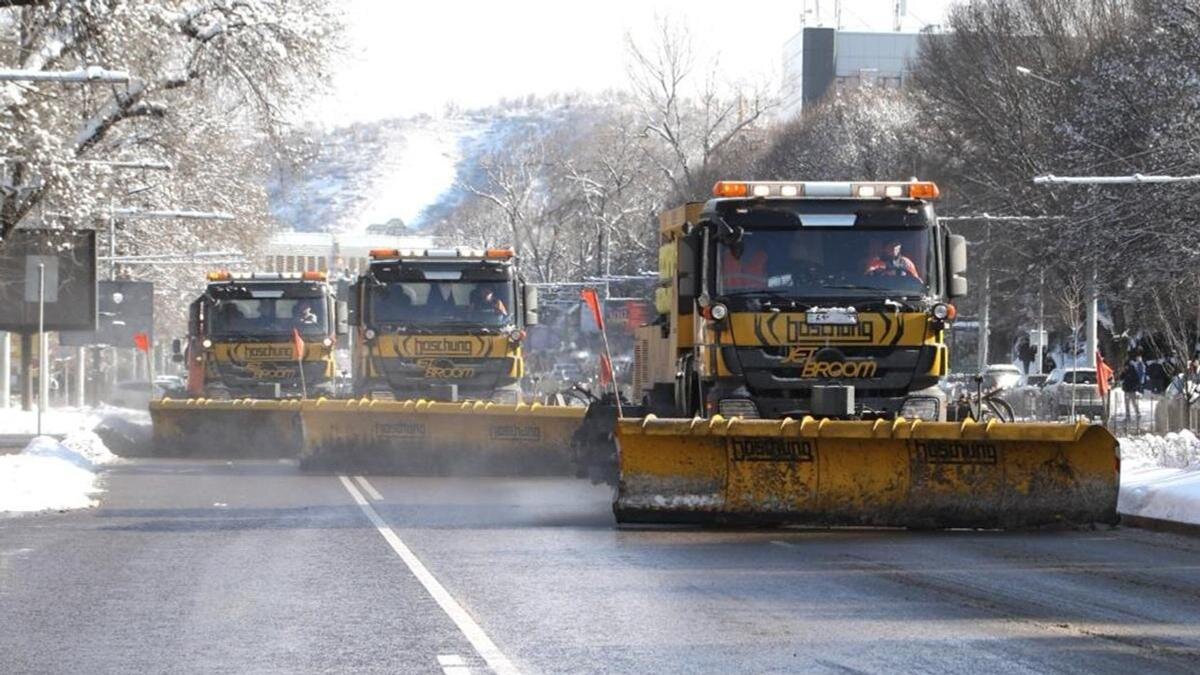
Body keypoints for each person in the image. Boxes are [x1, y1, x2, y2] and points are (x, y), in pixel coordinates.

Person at [1121, 351, 1149, 433]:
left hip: (1131, 388)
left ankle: (1137, 414)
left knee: (1133, 402)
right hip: (1127, 388)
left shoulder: (1132, 366)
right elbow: (1123, 376)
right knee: (1127, 403)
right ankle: (1128, 415)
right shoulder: (1128, 366)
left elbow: (1135, 377)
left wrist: (1135, 386)